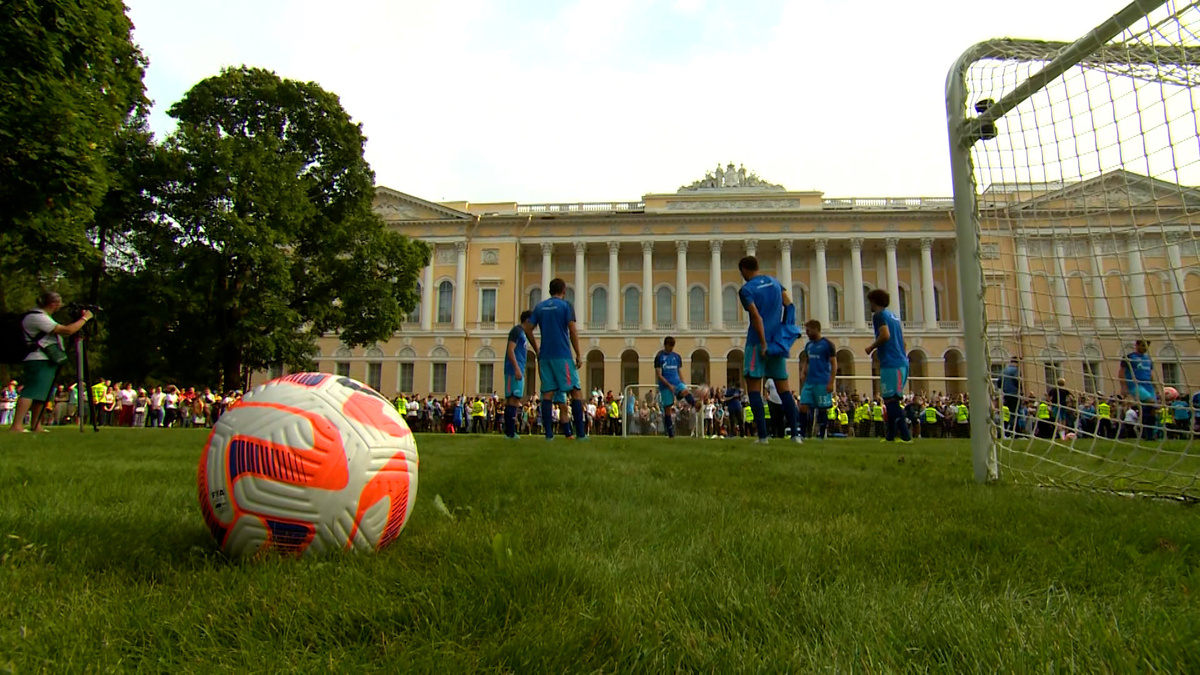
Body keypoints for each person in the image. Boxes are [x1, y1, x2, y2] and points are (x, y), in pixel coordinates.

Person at [736, 256, 801, 445]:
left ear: (744, 270)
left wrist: (763, 344)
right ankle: (795, 435)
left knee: (754, 388)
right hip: (776, 342)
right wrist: (786, 329)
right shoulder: (774, 282)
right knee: (784, 389)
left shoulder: (746, 290)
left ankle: (763, 437)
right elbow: (789, 304)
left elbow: (756, 317)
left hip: (757, 343)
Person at [9, 292, 91, 433]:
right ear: (53, 304)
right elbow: (67, 330)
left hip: (45, 358)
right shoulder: (37, 317)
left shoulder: (43, 317)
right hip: (38, 358)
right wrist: (85, 318)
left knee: (42, 393)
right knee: (31, 391)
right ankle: (17, 425)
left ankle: (36, 424)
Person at [522, 278, 588, 440]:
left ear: (550, 291)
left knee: (547, 394)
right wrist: (578, 354)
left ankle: (549, 435)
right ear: (564, 291)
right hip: (562, 355)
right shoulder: (566, 306)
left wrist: (537, 349)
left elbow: (528, 329)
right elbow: (572, 331)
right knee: (575, 391)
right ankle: (580, 434)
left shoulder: (540, 307)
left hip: (545, 356)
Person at [865, 289, 912, 444]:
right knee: (890, 400)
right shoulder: (894, 317)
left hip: (892, 363)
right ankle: (890, 436)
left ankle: (905, 436)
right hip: (899, 362)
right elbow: (903, 342)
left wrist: (871, 347)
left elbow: (885, 335)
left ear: (874, 301)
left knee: (892, 400)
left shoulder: (879, 316)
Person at [798, 319, 837, 441]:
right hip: (809, 382)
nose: (807, 333)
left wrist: (831, 382)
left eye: (808, 331)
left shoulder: (827, 345)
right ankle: (802, 434)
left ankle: (821, 435)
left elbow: (834, 364)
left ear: (816, 329)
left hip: (822, 381)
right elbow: (807, 360)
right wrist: (803, 372)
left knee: (822, 408)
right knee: (803, 406)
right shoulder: (809, 345)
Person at [654, 336, 698, 439]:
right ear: (665, 345)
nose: (671, 348)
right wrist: (669, 386)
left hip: (677, 382)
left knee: (685, 391)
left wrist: (683, 382)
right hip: (665, 385)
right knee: (668, 409)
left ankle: (695, 405)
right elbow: (659, 375)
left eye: (672, 346)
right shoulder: (659, 357)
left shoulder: (677, 357)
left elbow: (679, 371)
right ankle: (670, 434)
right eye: (669, 346)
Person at [503, 310, 533, 439]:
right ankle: (510, 433)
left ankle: (511, 432)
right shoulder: (516, 331)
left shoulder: (523, 333)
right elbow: (510, 350)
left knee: (515, 399)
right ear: (527, 320)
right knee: (512, 399)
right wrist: (516, 369)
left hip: (518, 369)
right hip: (512, 370)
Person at [1120, 339, 1158, 441]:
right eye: (1142, 345)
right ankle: (1144, 432)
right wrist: (1123, 386)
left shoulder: (1148, 359)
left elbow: (1150, 374)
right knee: (1150, 402)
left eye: (1146, 346)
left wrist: (1155, 387)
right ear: (1136, 346)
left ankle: (1149, 434)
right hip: (1135, 384)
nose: (1144, 348)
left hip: (1148, 385)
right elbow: (1122, 372)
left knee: (1153, 409)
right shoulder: (1130, 357)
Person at [997, 357, 1020, 438]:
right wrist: (1019, 390)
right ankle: (1014, 433)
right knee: (1015, 414)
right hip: (1013, 394)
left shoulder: (1003, 371)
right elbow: (1017, 381)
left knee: (1006, 414)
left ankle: (1005, 432)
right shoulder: (1015, 370)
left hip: (1005, 395)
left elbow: (999, 383)